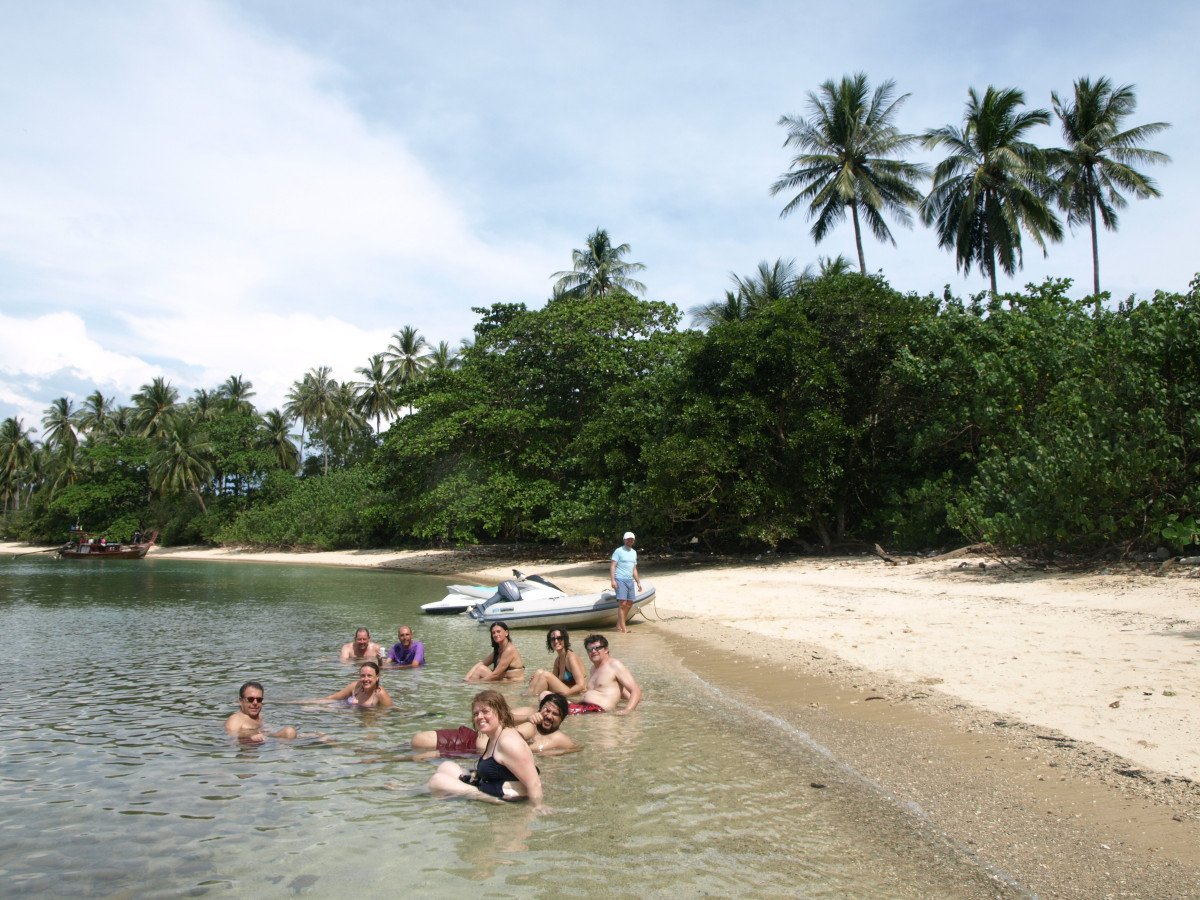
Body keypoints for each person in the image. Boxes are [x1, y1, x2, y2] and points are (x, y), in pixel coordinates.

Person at [425, 691, 543, 809]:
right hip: (488, 784)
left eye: (485, 712)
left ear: (500, 714)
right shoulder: (494, 736)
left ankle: (481, 797)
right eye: (476, 713)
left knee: (437, 781)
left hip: (501, 794)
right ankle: (414, 790)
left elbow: (534, 783)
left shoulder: (508, 742)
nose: (479, 717)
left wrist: (537, 807)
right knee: (446, 766)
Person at [412, 692, 579, 756]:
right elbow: (500, 717)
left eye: (554, 714)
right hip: (469, 740)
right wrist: (528, 719)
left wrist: (550, 753)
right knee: (417, 741)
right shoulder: (528, 714)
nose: (548, 716)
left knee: (416, 757)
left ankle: (387, 762)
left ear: (562, 718)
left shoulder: (558, 738)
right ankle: (387, 755)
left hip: (473, 755)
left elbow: (576, 749)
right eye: (546, 710)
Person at [566, 634, 641, 715]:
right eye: (590, 649)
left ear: (606, 649)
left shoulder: (614, 665)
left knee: (555, 705)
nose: (593, 651)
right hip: (585, 709)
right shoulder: (593, 669)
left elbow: (635, 690)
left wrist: (627, 710)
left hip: (596, 710)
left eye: (597, 648)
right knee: (552, 697)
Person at [224, 681, 297, 742]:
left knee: (290, 732)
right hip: (250, 748)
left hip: (266, 743)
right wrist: (249, 736)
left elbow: (267, 732)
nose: (255, 703)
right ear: (241, 701)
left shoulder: (259, 716)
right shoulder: (236, 719)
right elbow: (231, 736)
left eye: (259, 700)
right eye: (250, 699)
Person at [300, 661, 393, 708]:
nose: (365, 679)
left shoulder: (380, 694)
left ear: (377, 677)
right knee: (308, 708)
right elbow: (334, 698)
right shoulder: (356, 686)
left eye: (369, 676)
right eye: (363, 676)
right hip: (345, 710)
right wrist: (306, 701)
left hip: (366, 721)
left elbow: (388, 712)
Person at [527, 627, 586, 697]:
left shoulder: (571, 657)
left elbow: (581, 685)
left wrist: (565, 694)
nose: (556, 641)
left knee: (545, 675)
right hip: (566, 691)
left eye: (559, 638)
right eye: (552, 639)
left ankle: (531, 701)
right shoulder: (558, 660)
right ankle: (528, 697)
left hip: (576, 694)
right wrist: (536, 681)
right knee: (539, 672)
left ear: (565, 639)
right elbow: (552, 682)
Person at [610, 530, 643, 633]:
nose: (630, 541)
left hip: (629, 580)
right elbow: (613, 566)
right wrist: (613, 580)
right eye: (628, 539)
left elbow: (634, 569)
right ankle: (624, 628)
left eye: (632, 539)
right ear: (624, 540)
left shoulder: (634, 552)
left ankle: (619, 624)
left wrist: (638, 582)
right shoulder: (618, 551)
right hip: (620, 579)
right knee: (622, 604)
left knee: (629, 603)